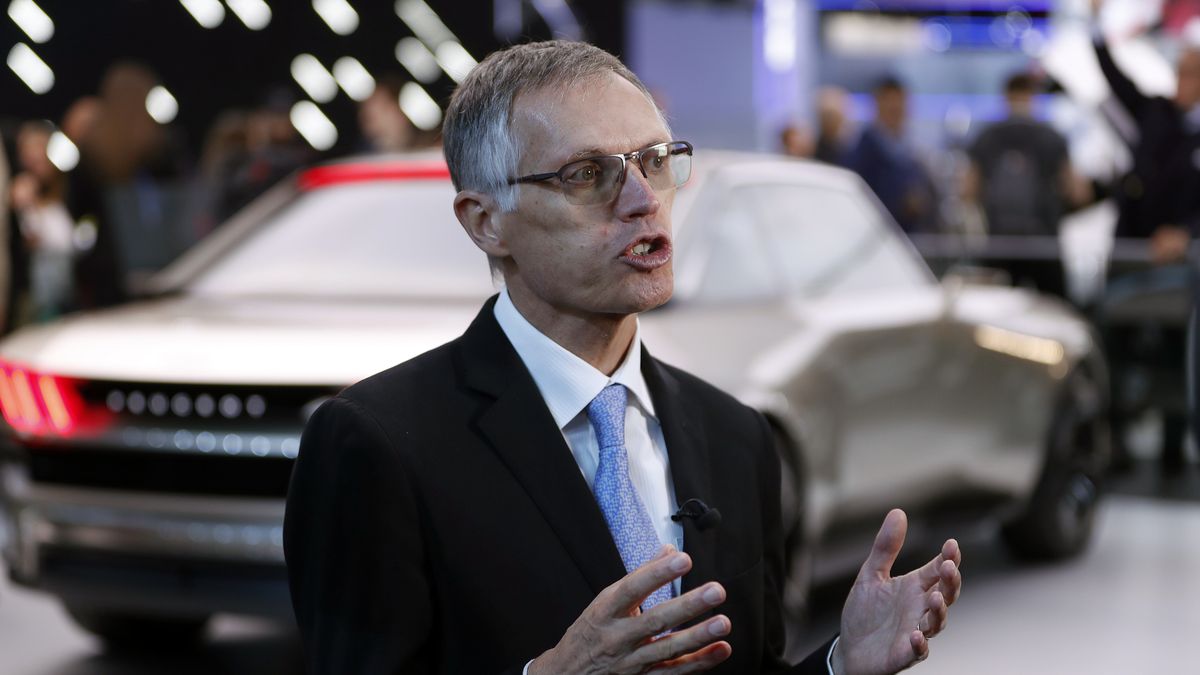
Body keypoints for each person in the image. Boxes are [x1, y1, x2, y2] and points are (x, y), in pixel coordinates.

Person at [284, 41, 961, 675]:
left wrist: (843, 661)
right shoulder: (378, 444)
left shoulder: (735, 434)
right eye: (587, 175)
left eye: (656, 160)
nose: (643, 201)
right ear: (485, 221)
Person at [1091, 0, 1200, 473]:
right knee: (1115, 342)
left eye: (1191, 72)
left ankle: (1174, 447)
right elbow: (1112, 74)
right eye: (1181, 70)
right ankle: (1116, 437)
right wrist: (1096, 25)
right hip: (1129, 255)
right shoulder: (1154, 111)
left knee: (1176, 353)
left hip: (1178, 270)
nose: (1182, 79)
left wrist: (1186, 234)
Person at [963, 72, 1090, 296]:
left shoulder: (987, 137)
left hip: (999, 246)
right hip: (1044, 245)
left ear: (1006, 97)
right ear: (1032, 96)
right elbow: (1078, 193)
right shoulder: (1051, 137)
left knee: (996, 309)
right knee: (1053, 308)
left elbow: (967, 192)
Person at [845, 77, 939, 234]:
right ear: (877, 105)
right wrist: (900, 205)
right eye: (892, 109)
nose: (897, 113)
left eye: (900, 107)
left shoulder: (910, 154)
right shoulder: (861, 155)